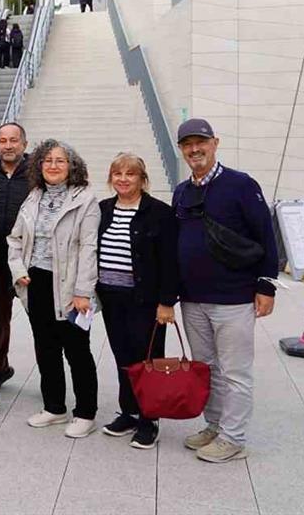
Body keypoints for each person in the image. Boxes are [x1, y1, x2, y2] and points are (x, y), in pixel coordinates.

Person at [173, 118, 277, 463]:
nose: (195, 150)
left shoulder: (241, 185)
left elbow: (266, 234)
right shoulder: (182, 191)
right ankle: (215, 426)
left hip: (233, 298)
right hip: (193, 299)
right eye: (187, 144)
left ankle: (234, 438)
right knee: (206, 368)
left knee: (235, 372)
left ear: (215, 143)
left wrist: (266, 285)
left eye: (200, 142)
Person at [7, 139, 100, 438]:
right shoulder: (34, 197)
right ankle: (54, 407)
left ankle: (85, 413)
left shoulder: (85, 200)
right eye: (47, 160)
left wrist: (83, 291)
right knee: (46, 348)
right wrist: (19, 270)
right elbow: (15, 239)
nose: (53, 166)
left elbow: (89, 248)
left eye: (60, 160)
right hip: (37, 283)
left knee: (77, 350)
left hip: (71, 287)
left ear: (72, 166)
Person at [97, 153, 178, 450]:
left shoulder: (160, 213)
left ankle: (149, 418)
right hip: (111, 296)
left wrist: (167, 302)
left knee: (148, 360)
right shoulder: (103, 209)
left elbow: (170, 262)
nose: (123, 179)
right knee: (123, 357)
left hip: (144, 299)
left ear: (142, 179)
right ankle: (129, 412)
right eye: (117, 173)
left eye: (130, 174)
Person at [0, 122, 29, 389]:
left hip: (28, 260)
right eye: (3, 141)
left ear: (24, 143)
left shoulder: (37, 175)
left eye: (14, 140)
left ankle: (52, 382)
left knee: (43, 323)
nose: (8, 146)